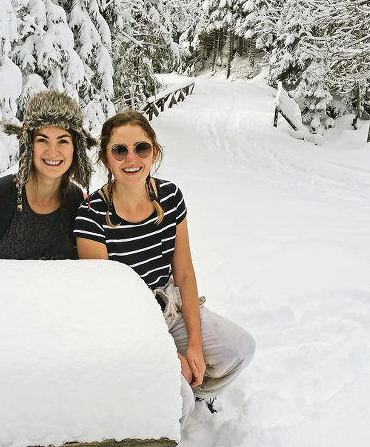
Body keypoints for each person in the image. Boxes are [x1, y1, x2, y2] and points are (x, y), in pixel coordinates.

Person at [0, 89, 97, 447]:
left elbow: (90, 277)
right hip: (1, 335)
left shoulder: (78, 202)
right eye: (42, 140)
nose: (53, 151)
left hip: (57, 336)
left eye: (63, 140)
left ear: (76, 148)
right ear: (28, 143)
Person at [74, 109, 255, 424]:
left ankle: (196, 393)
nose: (132, 158)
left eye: (141, 148)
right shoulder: (91, 213)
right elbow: (106, 300)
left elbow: (184, 272)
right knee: (175, 402)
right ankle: (158, 422)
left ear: (153, 151)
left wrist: (194, 347)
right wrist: (169, 355)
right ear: (105, 158)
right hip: (129, 324)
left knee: (240, 349)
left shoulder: (169, 196)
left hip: (170, 307)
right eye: (120, 150)